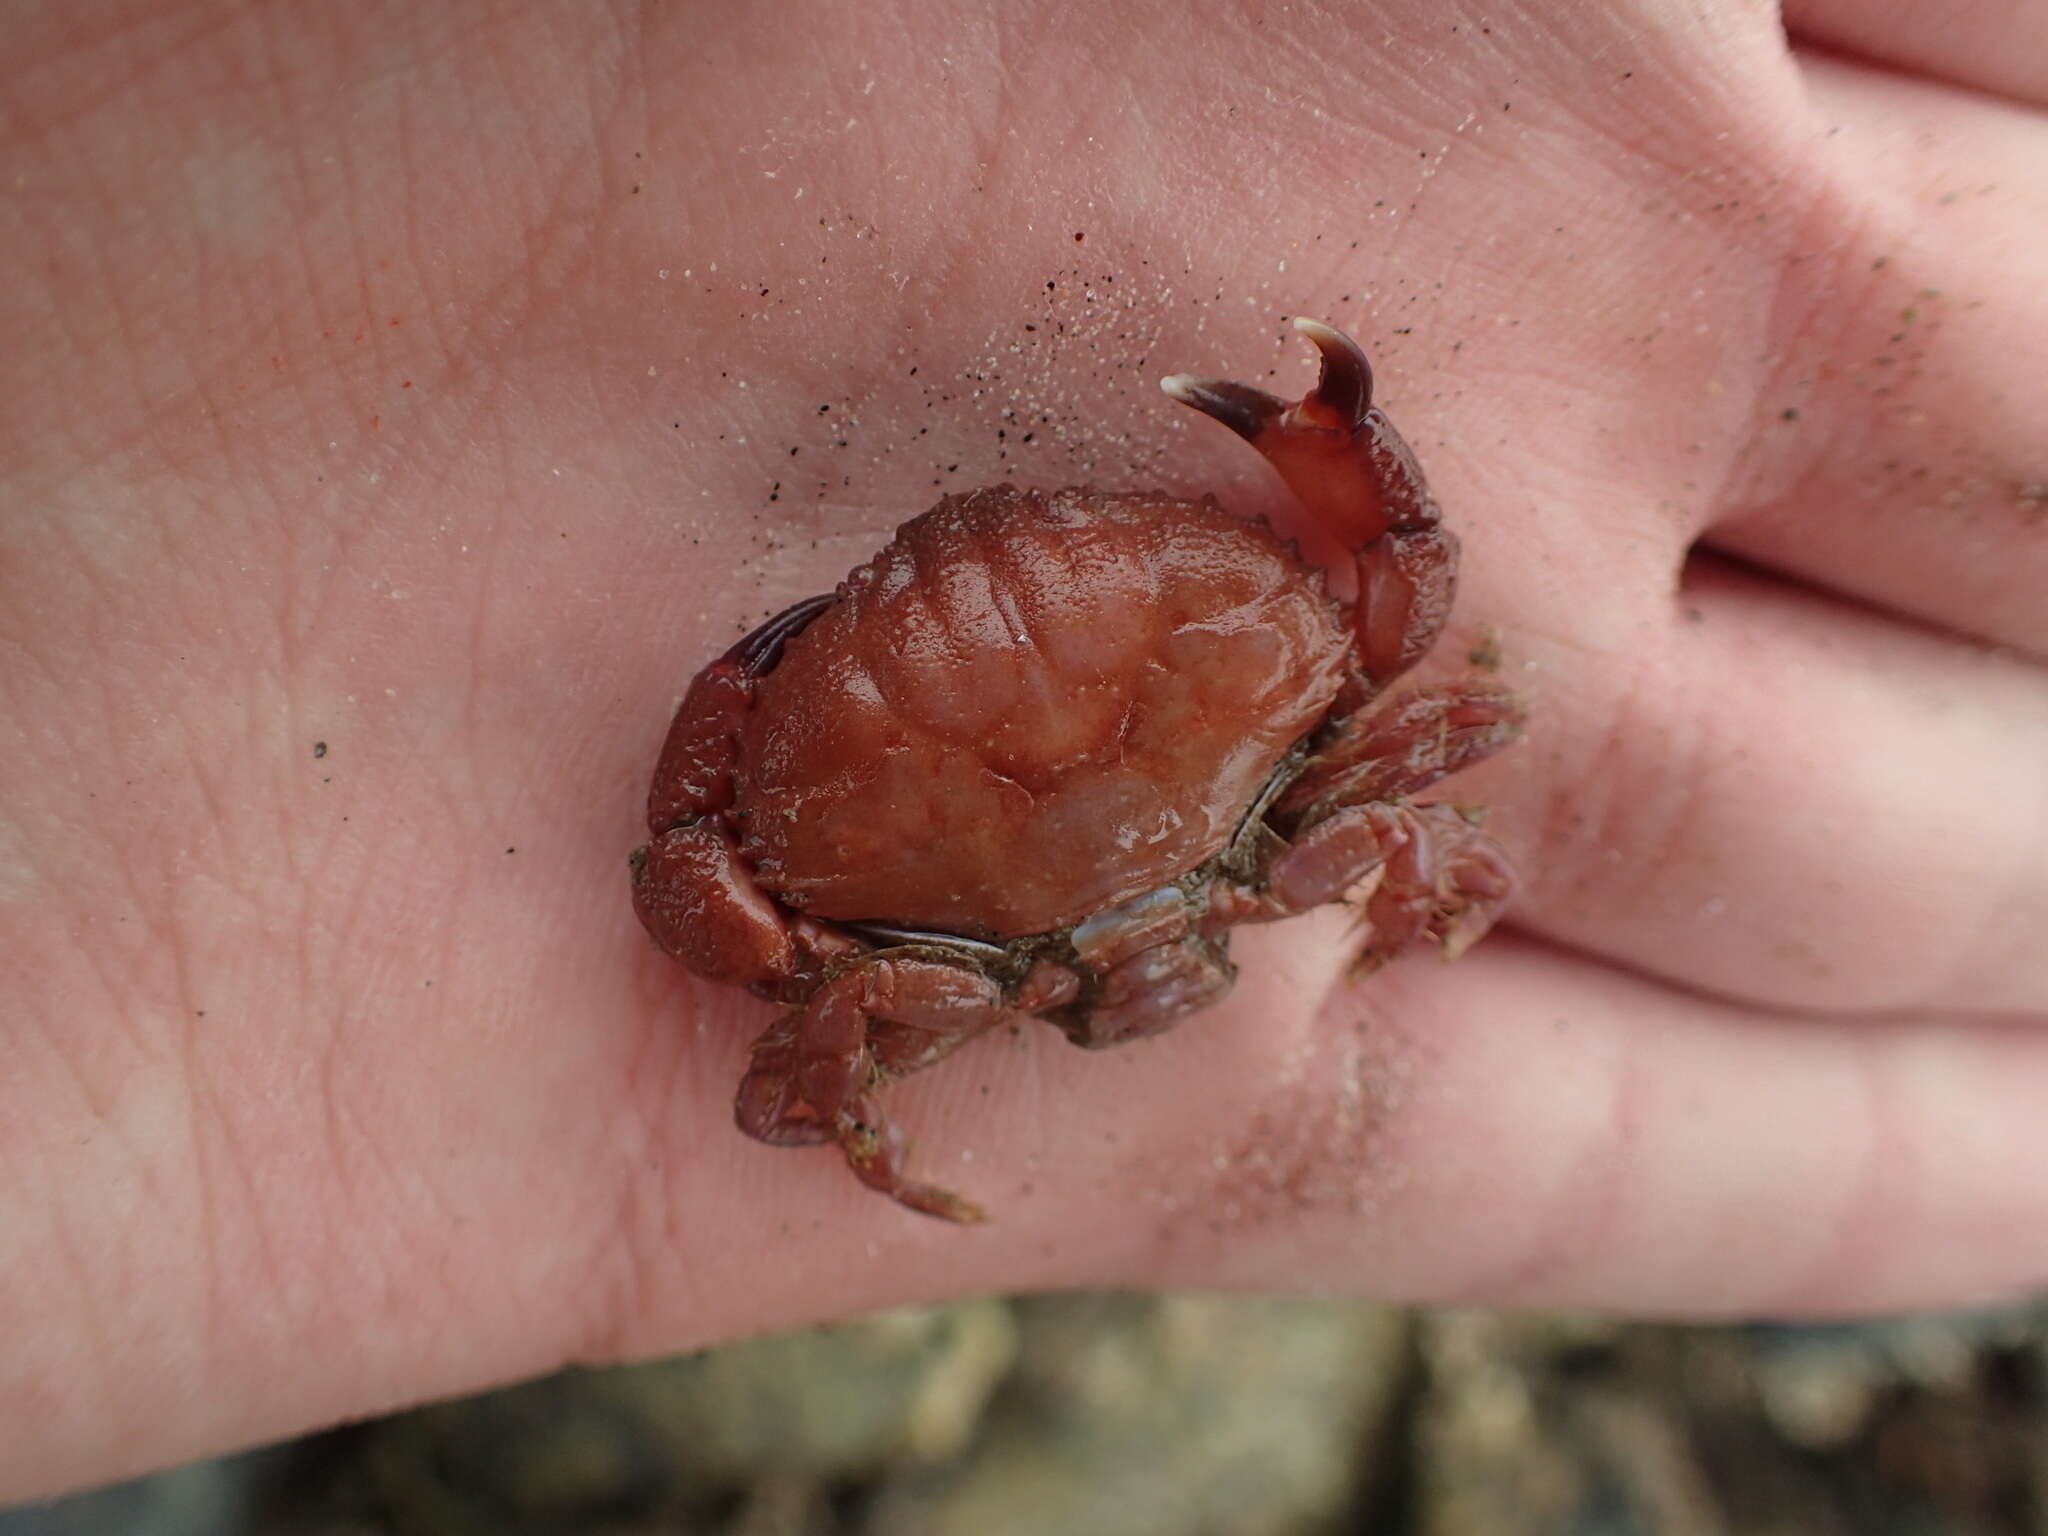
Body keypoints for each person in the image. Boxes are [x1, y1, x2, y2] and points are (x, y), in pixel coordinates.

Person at [3, 0, 2042, 1503]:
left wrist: (775, 698)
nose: (970, 561)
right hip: (1207, 801)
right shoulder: (1304, 785)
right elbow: (1428, 618)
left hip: (1021, 884)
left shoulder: (877, 958)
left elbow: (701, 904)